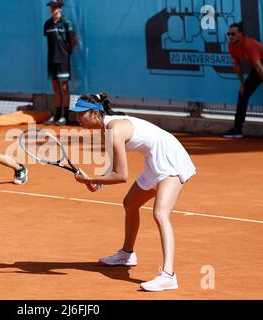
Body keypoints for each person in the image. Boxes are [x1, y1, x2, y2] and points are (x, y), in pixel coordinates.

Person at [70, 93, 196, 292]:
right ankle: (127, 254)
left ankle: (168, 275)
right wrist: (98, 183)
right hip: (154, 160)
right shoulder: (107, 129)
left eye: (81, 114)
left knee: (160, 213)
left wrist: (91, 179)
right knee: (130, 203)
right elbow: (114, 167)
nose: (77, 119)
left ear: (95, 113)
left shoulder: (113, 129)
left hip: (171, 157)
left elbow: (121, 176)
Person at [222, 22, 263, 142]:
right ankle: (237, 129)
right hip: (258, 68)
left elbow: (259, 66)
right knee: (243, 94)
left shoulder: (249, 45)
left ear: (240, 34)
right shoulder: (231, 45)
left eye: (233, 34)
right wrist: (242, 84)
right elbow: (236, 65)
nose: (230, 36)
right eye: (228, 34)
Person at [43, 0, 76, 126]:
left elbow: (73, 40)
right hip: (51, 60)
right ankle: (56, 115)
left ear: (60, 8)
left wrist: (67, 53)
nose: (53, 8)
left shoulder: (66, 23)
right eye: (51, 6)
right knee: (55, 88)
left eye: (55, 6)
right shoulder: (47, 24)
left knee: (64, 88)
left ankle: (65, 116)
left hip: (63, 60)